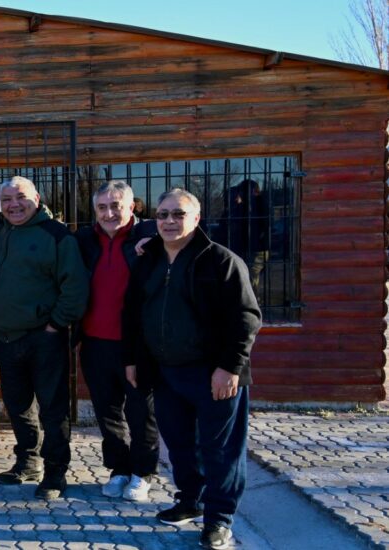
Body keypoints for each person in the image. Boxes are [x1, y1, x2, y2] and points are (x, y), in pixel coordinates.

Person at [123, 188, 261, 550]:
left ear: (196, 218)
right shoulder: (148, 260)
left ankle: (219, 519)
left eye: (178, 214)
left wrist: (230, 367)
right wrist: (134, 359)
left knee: (220, 450)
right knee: (180, 445)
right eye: (163, 214)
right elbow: (134, 315)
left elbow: (246, 319)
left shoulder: (221, 261)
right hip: (166, 372)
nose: (169, 221)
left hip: (214, 373)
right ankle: (190, 500)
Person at [0, 176, 89, 500]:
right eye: (6, 200)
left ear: (37, 198)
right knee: (17, 405)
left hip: (44, 338)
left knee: (52, 409)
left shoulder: (56, 235)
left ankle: (55, 473)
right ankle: (27, 461)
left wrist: (55, 325)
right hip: (6, 338)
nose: (13, 204)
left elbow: (75, 286)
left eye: (20, 197)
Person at [75, 181, 160, 502]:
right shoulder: (85, 240)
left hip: (136, 345)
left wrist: (152, 234)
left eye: (116, 206)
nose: (109, 213)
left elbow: (192, 231)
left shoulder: (149, 236)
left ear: (132, 206)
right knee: (107, 413)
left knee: (141, 412)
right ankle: (119, 469)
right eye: (102, 207)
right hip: (95, 342)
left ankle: (143, 473)